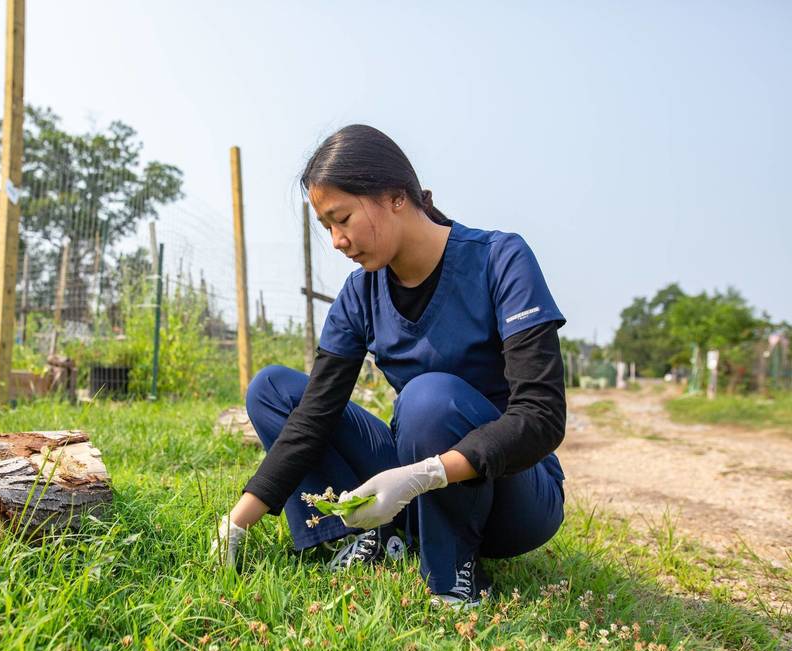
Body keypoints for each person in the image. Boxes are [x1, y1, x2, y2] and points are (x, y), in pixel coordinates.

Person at [211, 124, 567, 609]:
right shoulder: (361, 293)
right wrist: (237, 520)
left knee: (429, 399)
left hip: (515, 492)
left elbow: (541, 417)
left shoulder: (500, 260)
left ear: (396, 196)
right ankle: (360, 535)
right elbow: (314, 414)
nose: (337, 241)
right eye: (326, 228)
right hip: (417, 465)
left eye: (343, 219)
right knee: (273, 388)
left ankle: (452, 573)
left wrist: (424, 474)